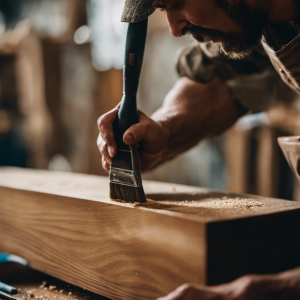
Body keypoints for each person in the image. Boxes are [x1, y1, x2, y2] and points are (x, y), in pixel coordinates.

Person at [97, 0, 300, 298]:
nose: (175, 29)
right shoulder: (252, 16)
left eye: (175, 3)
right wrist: (165, 129)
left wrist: (254, 292)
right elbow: (224, 73)